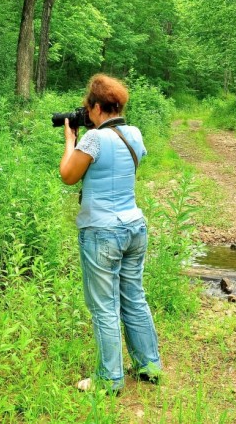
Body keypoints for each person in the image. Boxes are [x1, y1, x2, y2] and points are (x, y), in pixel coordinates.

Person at [59, 73, 162, 393]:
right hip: (134, 226)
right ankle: (149, 366)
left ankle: (110, 379)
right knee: (134, 297)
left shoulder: (92, 140)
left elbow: (68, 175)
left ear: (97, 107)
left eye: (88, 108)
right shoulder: (134, 133)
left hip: (102, 231)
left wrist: (69, 141)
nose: (86, 112)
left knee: (104, 306)